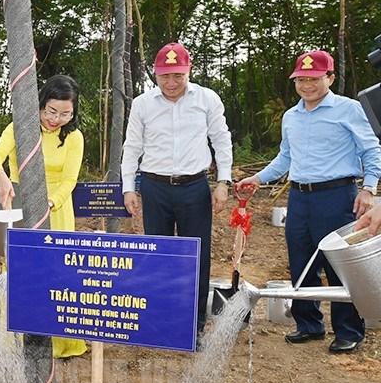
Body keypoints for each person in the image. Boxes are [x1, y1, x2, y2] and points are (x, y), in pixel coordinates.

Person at [237, 50, 381, 354]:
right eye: (301, 79)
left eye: (314, 79)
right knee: (301, 260)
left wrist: (369, 189)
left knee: (339, 265)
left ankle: (348, 329)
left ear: (329, 78)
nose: (307, 85)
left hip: (338, 196)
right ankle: (308, 324)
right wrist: (258, 179)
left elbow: (371, 150)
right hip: (300, 197)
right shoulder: (292, 116)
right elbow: (285, 158)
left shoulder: (349, 109)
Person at [121, 42, 233, 346]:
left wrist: (223, 182)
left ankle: (192, 325)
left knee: (196, 257)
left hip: (194, 188)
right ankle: (159, 320)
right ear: (155, 74)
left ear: (189, 71)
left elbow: (221, 140)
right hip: (154, 187)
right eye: (164, 76)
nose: (171, 83)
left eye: (178, 76)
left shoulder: (207, 99)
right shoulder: (143, 104)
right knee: (157, 256)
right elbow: (132, 147)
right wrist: (129, 187)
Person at [0, 74, 86, 359]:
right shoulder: (20, 128)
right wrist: (2, 178)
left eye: (66, 113)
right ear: (40, 104)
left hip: (57, 209)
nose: (56, 119)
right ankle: (19, 337)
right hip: (21, 205)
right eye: (51, 111)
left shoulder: (74, 138)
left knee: (57, 274)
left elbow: (70, 180)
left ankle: (59, 342)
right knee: (21, 272)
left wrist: (50, 203)